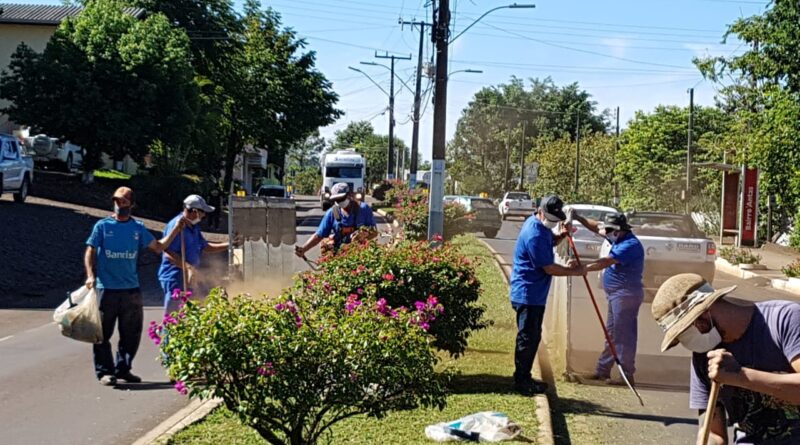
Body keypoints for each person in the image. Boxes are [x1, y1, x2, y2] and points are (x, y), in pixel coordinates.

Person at [652, 273, 800, 445]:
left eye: (684, 333)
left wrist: (740, 376)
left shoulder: (785, 320)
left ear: (703, 315)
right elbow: (713, 433)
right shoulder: (705, 357)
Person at [84, 187, 187, 386]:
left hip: (131, 288)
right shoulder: (102, 226)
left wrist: (175, 230)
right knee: (102, 334)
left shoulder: (137, 228)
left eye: (123, 201)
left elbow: (158, 247)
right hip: (106, 288)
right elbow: (90, 250)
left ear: (132, 204)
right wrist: (90, 275)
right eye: (116, 201)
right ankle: (105, 372)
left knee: (131, 333)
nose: (119, 204)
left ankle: (123, 369)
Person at [510, 195, 586, 396]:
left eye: (556, 221)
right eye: (550, 220)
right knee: (527, 338)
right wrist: (574, 272)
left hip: (535, 294)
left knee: (533, 337)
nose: (552, 224)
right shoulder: (534, 233)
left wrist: (560, 235)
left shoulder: (540, 227)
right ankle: (522, 380)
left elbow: (548, 242)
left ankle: (525, 377)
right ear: (541, 212)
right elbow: (549, 268)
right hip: (528, 294)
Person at [570, 211, 645, 384]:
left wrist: (583, 266)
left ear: (619, 230)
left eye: (610, 230)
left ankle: (626, 374)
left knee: (623, 334)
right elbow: (596, 227)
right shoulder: (617, 236)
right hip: (616, 294)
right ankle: (602, 370)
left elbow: (605, 262)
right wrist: (579, 217)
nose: (606, 233)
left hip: (626, 295)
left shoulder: (630, 245)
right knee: (612, 333)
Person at [158, 194, 231, 315]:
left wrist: (229, 244)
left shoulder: (194, 227)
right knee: (173, 318)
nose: (204, 216)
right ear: (194, 211)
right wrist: (187, 267)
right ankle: (167, 334)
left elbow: (205, 246)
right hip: (175, 277)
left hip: (189, 276)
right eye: (202, 212)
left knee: (189, 314)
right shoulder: (176, 226)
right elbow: (168, 253)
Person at [295, 182, 377, 258]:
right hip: (338, 255)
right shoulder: (332, 213)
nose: (340, 202)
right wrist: (304, 249)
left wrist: (363, 235)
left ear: (350, 195)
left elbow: (374, 232)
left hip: (359, 255)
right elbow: (319, 235)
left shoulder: (363, 209)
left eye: (342, 198)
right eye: (337, 200)